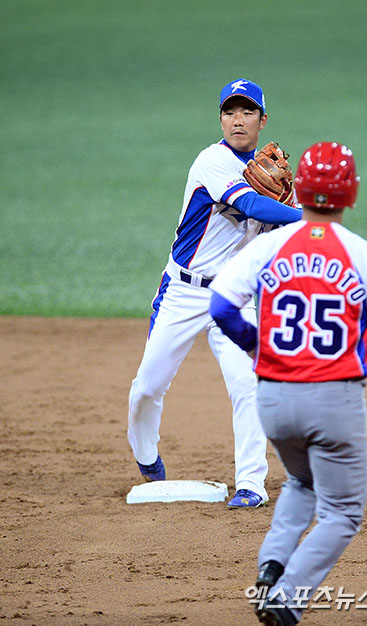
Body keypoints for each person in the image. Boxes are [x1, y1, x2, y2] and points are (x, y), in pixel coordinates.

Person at [209, 141, 367, 626]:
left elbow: (220, 308)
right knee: (342, 513)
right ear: (351, 193)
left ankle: (270, 566)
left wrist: (257, 346)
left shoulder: (269, 246)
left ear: (297, 190)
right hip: (334, 402)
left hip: (275, 400)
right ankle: (286, 599)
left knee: (302, 481)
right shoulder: (363, 254)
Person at [127, 78, 302, 508]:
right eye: (229, 112)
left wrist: (296, 214)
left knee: (248, 383)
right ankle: (147, 457)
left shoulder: (280, 183)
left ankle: (251, 484)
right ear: (221, 119)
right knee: (147, 387)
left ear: (263, 120)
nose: (237, 120)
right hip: (183, 292)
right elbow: (252, 205)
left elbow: (278, 241)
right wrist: (308, 215)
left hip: (234, 297)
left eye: (247, 112)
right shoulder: (212, 160)